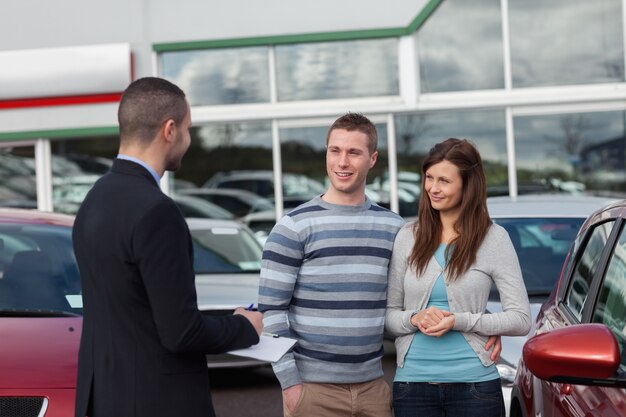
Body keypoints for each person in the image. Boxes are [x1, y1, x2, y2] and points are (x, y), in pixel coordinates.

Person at [72, 77, 263, 417]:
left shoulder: (94, 199)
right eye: (189, 129)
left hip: (102, 397)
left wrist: (227, 317)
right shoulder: (157, 211)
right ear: (170, 130)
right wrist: (246, 328)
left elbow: (138, 308)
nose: (189, 140)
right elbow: (180, 333)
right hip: (155, 400)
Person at [257, 112, 406, 417]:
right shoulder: (293, 226)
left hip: (374, 389)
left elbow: (413, 300)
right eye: (335, 151)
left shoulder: (394, 228)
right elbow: (271, 311)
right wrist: (290, 384)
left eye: (354, 152)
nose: (342, 162)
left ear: (372, 159)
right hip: (312, 392)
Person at [385, 138, 531, 417]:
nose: (433, 188)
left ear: (468, 184)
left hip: (475, 389)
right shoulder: (407, 237)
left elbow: (521, 318)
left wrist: (461, 321)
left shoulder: (494, 239)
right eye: (429, 178)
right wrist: (414, 318)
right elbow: (389, 316)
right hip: (412, 388)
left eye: (444, 180)